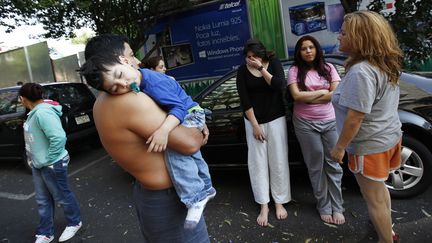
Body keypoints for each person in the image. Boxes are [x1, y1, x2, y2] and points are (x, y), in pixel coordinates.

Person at [80, 34, 211, 242]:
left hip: (150, 194)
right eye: (131, 55)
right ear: (119, 59)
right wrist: (197, 123)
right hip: (169, 199)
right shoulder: (132, 100)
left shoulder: (102, 102)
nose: (138, 61)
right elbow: (190, 143)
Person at [330, 10, 403, 243]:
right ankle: (387, 231)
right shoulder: (384, 64)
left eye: (343, 32)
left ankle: (385, 240)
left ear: (359, 37)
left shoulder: (361, 71)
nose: (338, 36)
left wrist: (340, 147)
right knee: (380, 193)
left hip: (369, 145)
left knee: (374, 200)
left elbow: (355, 118)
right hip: (388, 137)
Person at [287, 35, 345, 225]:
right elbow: (296, 96)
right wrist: (322, 92)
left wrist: (309, 96)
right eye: (304, 48)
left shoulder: (329, 68)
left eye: (311, 47)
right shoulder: (294, 70)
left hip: (330, 121)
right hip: (305, 123)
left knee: (334, 163)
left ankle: (338, 206)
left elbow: (334, 95)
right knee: (315, 165)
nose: (308, 51)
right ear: (299, 52)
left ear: (317, 49)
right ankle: (324, 206)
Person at [236, 38, 291, 227]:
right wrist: (255, 125)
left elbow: (278, 85)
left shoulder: (273, 64)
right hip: (253, 121)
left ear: (262, 55)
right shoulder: (242, 71)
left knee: (278, 160)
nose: (250, 60)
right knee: (257, 163)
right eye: (248, 57)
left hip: (276, 117)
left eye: (254, 56)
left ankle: (279, 201)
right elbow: (245, 100)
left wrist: (261, 68)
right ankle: (264, 204)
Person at [19, 83, 82, 243]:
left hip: (51, 164)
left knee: (62, 196)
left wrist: (49, 160)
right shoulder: (35, 112)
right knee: (42, 200)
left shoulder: (43, 113)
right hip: (39, 164)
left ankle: (75, 222)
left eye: (20, 99)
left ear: (24, 99)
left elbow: (59, 138)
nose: (20, 102)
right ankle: (45, 233)